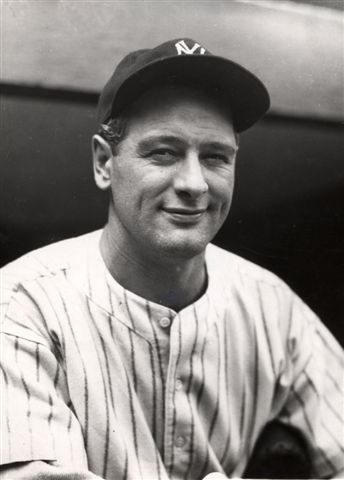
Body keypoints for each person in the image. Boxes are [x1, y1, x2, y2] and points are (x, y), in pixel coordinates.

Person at [0, 38, 343, 480]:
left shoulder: (271, 305)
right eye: (164, 152)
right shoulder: (20, 305)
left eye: (216, 157)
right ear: (105, 163)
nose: (195, 183)